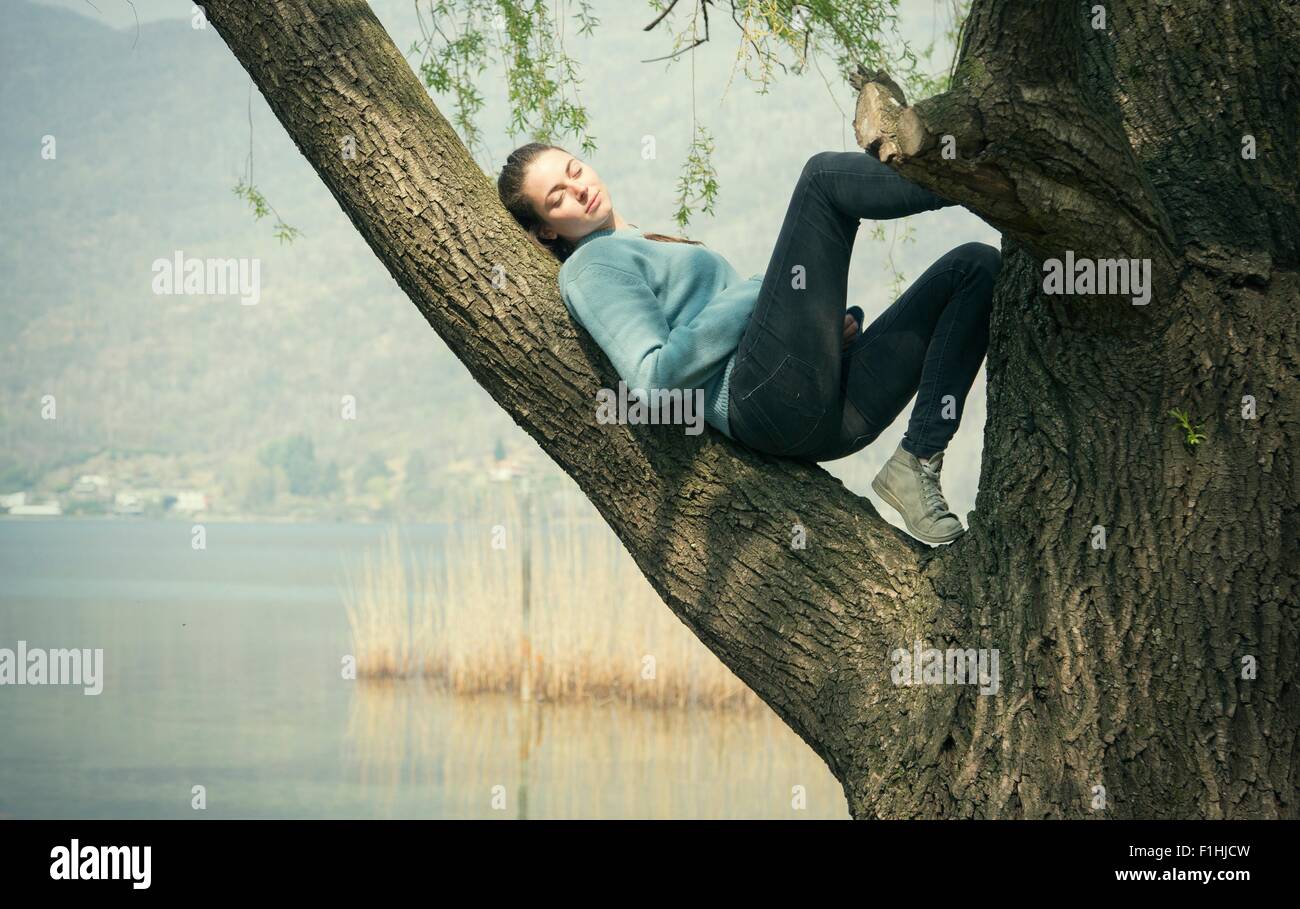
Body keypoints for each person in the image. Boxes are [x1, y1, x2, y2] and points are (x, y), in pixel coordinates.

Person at [497, 143, 1000, 544]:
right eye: (557, 196)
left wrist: (828, 336)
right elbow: (654, 380)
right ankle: (974, 180)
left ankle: (917, 460)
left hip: (825, 417)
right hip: (759, 403)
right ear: (545, 229)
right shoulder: (590, 267)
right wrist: (762, 290)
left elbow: (746, 325)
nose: (578, 189)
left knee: (975, 266)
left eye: (574, 170)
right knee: (822, 180)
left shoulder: (646, 241)